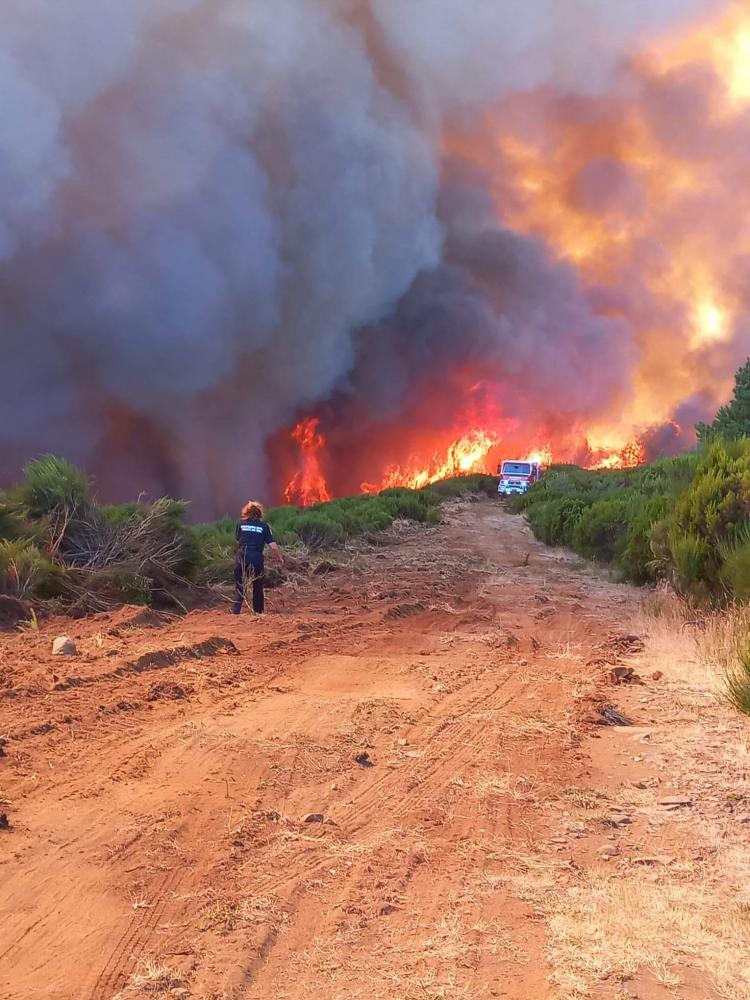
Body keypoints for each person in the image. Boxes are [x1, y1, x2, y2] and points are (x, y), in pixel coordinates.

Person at [233, 501, 283, 615]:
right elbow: (273, 546)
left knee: (240, 587)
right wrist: (279, 558)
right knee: (258, 587)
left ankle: (235, 613)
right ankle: (258, 613)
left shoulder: (240, 524)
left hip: (242, 558)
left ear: (246, 512)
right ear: (260, 513)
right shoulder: (264, 527)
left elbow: (238, 540)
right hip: (256, 559)